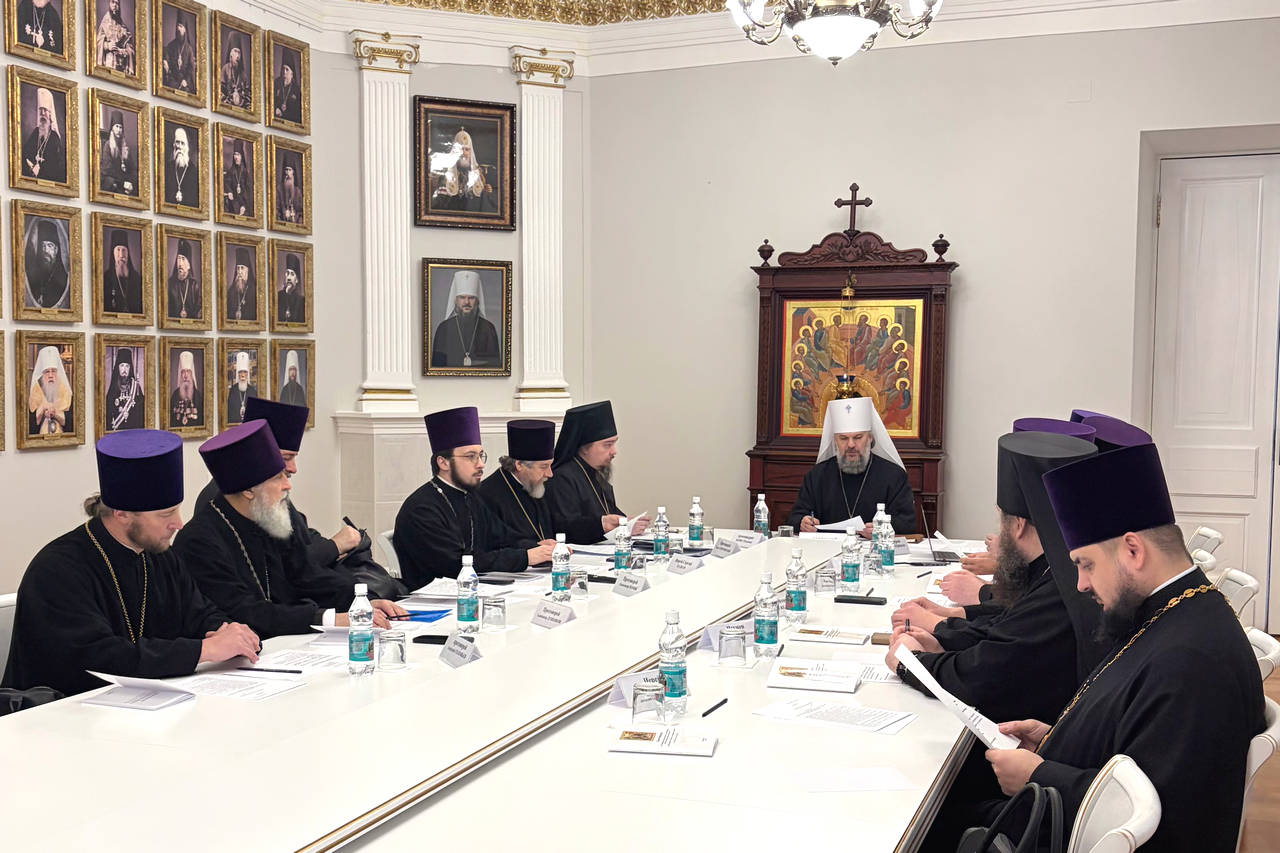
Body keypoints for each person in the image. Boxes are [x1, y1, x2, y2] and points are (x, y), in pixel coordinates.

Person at [923, 443, 1266, 852]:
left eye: (1086, 564)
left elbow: (1159, 817)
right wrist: (1052, 740)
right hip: (1058, 798)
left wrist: (1040, 775)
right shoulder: (1173, 613)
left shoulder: (1192, 662)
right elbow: (1132, 732)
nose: (1081, 584)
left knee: (928, 821)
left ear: (1133, 550)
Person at [1, 430, 260, 698]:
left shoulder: (158, 554)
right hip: (59, 711)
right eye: (166, 514)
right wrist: (204, 650)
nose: (178, 524)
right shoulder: (57, 570)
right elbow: (98, 660)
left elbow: (199, 613)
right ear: (122, 514)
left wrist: (229, 632)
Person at [886, 431, 1099, 725]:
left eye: (1001, 518)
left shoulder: (1060, 589)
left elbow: (983, 678)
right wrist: (942, 642)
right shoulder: (1055, 569)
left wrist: (911, 663)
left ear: (1019, 525)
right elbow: (1001, 632)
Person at [174, 420, 405, 638]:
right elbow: (243, 611)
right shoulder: (199, 541)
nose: (287, 485)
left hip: (289, 641)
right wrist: (328, 619)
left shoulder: (269, 518)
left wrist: (361, 601)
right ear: (248, 491)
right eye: (278, 478)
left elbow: (309, 575)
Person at [394, 407, 553, 589]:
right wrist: (525, 557)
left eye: (480, 455)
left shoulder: (470, 496)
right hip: (432, 596)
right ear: (443, 462)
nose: (480, 464)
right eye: (471, 457)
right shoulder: (422, 509)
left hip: (472, 590)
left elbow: (503, 537)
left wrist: (537, 547)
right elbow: (455, 564)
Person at [787, 397, 916, 535]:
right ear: (835, 441)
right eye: (843, 438)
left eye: (858, 437)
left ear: (870, 438)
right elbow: (794, 517)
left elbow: (907, 523)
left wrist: (882, 529)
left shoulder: (894, 475)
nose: (851, 445)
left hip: (874, 547)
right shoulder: (817, 475)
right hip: (828, 547)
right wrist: (803, 522)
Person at [478, 420, 603, 546]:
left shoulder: (536, 486)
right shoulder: (487, 495)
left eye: (550, 465)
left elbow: (562, 526)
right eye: (544, 466)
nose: (550, 474)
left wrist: (600, 525)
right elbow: (497, 543)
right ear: (519, 465)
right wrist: (534, 548)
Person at [543, 400, 649, 542]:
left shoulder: (596, 473)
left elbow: (609, 513)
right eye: (607, 445)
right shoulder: (561, 478)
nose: (614, 451)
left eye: (614, 443)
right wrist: (602, 525)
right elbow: (565, 527)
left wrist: (628, 523)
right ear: (584, 448)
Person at [431, 269, 500, 368]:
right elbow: (437, 367)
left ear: (477, 301)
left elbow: (494, 366)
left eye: (471, 298)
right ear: (456, 300)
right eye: (462, 297)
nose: (466, 302)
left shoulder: (488, 329)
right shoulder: (444, 328)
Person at [432, 130, 492, 212]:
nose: (463, 153)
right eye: (460, 149)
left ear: (470, 152)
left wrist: (486, 190)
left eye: (466, 149)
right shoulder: (445, 172)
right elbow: (439, 201)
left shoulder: (477, 173)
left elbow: (480, 197)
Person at [22, 87, 66, 183]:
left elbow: (56, 165)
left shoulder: (54, 137)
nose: (42, 113)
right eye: (40, 110)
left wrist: (40, 169)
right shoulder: (36, 132)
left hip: (48, 180)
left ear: (50, 114)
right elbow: (24, 153)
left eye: (45, 110)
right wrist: (31, 166)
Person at [28, 345, 73, 436]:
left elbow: (73, 424)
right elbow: (29, 426)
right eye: (47, 372)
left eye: (54, 371)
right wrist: (42, 409)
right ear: (42, 374)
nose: (51, 375)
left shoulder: (66, 392)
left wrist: (55, 413)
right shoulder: (35, 392)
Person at [24, 218, 69, 308]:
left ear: (56, 250)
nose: (45, 250)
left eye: (49, 246)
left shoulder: (63, 278)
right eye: (42, 245)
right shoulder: (33, 274)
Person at [102, 229, 142, 315]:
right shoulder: (106, 277)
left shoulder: (136, 277)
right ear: (113, 253)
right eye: (118, 250)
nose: (121, 255)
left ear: (128, 253)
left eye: (124, 250)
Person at [98, 109, 136, 195]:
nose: (119, 130)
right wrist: (122, 183)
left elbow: (132, 169)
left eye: (120, 127)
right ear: (112, 128)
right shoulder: (108, 145)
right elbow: (107, 169)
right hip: (115, 182)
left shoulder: (125, 147)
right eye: (117, 126)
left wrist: (130, 182)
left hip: (126, 183)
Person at [106, 347, 145, 431]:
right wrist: (119, 410)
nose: (124, 369)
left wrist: (130, 414)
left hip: (133, 430)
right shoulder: (113, 387)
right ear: (118, 368)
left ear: (130, 368)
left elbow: (142, 411)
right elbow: (107, 412)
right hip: (117, 431)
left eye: (127, 366)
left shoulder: (136, 387)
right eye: (122, 365)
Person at [94, 0, 134, 73]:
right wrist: (107, 45)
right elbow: (98, 42)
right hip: (109, 61)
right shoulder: (105, 23)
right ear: (109, 4)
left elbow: (129, 46)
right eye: (113, 2)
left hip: (121, 63)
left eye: (117, 3)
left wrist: (124, 51)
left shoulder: (122, 26)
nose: (115, 5)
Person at [166, 238, 201, 320]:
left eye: (183, 259)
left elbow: (199, 310)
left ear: (189, 265)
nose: (180, 264)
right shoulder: (169, 283)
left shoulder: (194, 285)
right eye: (178, 259)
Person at [164, 125, 197, 206]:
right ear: (174, 144)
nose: (179, 146)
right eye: (177, 142)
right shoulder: (168, 167)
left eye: (182, 143)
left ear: (186, 147)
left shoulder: (194, 170)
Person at [169, 349, 202, 428]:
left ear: (192, 374)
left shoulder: (198, 396)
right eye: (183, 371)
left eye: (188, 371)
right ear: (180, 374)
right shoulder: (175, 395)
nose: (185, 376)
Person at [162, 16, 195, 92]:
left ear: (185, 29)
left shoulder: (189, 49)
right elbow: (168, 62)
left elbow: (191, 68)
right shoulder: (171, 45)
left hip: (185, 81)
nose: (178, 28)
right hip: (174, 78)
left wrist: (185, 80)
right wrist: (165, 61)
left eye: (180, 26)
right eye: (177, 26)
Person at [218, 34, 250, 108]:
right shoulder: (225, 69)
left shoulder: (243, 74)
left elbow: (247, 93)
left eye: (239, 52)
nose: (237, 56)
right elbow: (221, 89)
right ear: (231, 55)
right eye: (235, 52)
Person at [225, 351, 257, 424]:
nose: (242, 375)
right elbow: (229, 412)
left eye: (245, 372)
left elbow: (255, 412)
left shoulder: (252, 391)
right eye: (240, 372)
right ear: (237, 374)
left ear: (248, 374)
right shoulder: (233, 390)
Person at [222, 139, 252, 217]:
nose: (236, 157)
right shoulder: (231, 171)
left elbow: (247, 191)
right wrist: (229, 191)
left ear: (242, 156)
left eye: (238, 155)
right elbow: (227, 183)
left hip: (244, 202)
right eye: (234, 154)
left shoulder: (245, 172)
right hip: (233, 201)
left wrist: (244, 205)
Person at [226, 246, 256, 322]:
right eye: (238, 268)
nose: (239, 272)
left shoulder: (255, 291)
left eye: (242, 268)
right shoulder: (231, 291)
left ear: (248, 270)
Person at [273, 57, 301, 123]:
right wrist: (275, 109)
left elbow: (298, 113)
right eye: (283, 69)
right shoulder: (276, 84)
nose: (284, 72)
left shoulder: (296, 90)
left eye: (287, 69)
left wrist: (284, 114)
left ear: (292, 74)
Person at [277, 254, 304, 323]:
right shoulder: (277, 296)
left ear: (296, 280)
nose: (289, 278)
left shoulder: (301, 300)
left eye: (292, 274)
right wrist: (286, 293)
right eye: (287, 273)